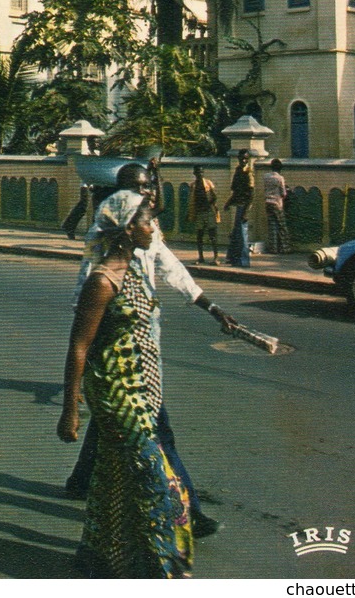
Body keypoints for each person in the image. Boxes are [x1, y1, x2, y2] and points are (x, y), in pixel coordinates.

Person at [65, 161, 235, 539]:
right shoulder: (105, 242)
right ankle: (187, 512)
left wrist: (211, 307)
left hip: (142, 349)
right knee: (158, 436)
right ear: (124, 195)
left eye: (150, 185)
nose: (150, 194)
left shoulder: (144, 230)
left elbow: (172, 268)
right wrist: (72, 399)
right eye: (143, 187)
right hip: (118, 358)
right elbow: (85, 306)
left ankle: (81, 481)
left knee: (113, 430)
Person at [58, 193, 198, 577]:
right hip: (116, 395)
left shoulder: (134, 270)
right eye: (148, 221)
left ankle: (101, 561)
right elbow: (78, 346)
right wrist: (70, 410)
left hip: (141, 390)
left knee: (113, 480)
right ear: (126, 229)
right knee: (160, 485)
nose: (154, 227)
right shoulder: (101, 282)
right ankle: (161, 570)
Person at [224, 149, 254, 267]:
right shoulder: (238, 171)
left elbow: (251, 194)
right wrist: (229, 202)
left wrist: (246, 212)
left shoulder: (248, 172)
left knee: (242, 235)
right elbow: (235, 191)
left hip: (244, 206)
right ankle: (234, 259)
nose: (244, 160)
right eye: (242, 158)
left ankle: (244, 261)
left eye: (246, 158)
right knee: (236, 234)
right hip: (238, 204)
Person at [187, 165, 219, 264]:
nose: (199, 174)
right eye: (197, 172)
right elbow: (191, 200)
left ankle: (216, 258)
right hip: (199, 212)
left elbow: (214, 197)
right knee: (199, 235)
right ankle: (201, 257)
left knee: (212, 235)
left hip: (209, 211)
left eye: (201, 172)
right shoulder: (193, 185)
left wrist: (211, 203)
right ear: (194, 173)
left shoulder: (208, 184)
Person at [263, 157, 292, 253]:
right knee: (281, 225)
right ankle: (285, 248)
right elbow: (283, 193)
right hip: (277, 203)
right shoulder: (280, 178)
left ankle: (273, 248)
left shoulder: (266, 176)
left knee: (272, 226)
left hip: (267, 202)